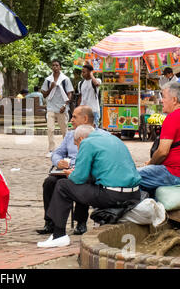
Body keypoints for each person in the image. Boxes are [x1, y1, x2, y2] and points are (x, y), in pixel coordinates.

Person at [37, 124, 141, 248]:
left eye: (76, 145)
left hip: (112, 195)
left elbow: (79, 178)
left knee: (62, 185)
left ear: (80, 139)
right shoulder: (112, 138)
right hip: (134, 193)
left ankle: (58, 235)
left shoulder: (87, 143)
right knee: (81, 184)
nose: (78, 148)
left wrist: (71, 174)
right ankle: (75, 224)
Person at [36, 106, 110, 236]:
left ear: (85, 119)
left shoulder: (101, 136)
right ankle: (51, 222)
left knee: (82, 181)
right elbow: (56, 153)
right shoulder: (70, 135)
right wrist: (58, 161)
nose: (71, 120)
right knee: (49, 182)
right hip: (67, 171)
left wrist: (77, 166)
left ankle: (81, 223)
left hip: (88, 174)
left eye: (75, 117)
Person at [137, 82, 180, 197]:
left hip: (173, 172)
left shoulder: (172, 118)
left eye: (164, 97)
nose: (161, 100)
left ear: (174, 100)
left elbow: (162, 152)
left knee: (131, 178)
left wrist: (150, 164)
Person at [41, 59, 74, 157]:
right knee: (50, 129)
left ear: (60, 67)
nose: (55, 67)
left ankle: (66, 149)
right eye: (53, 65)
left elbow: (70, 93)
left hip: (61, 108)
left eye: (57, 65)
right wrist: (51, 87)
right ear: (51, 67)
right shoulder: (48, 80)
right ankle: (51, 149)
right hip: (51, 107)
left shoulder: (65, 79)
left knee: (64, 130)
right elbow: (44, 94)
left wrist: (65, 105)